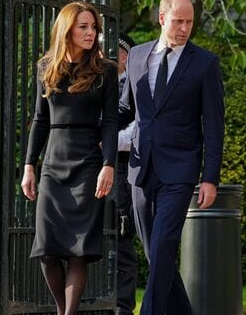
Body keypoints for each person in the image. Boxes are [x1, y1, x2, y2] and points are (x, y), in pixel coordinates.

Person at [118, 0, 225, 315]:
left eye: (189, 22)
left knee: (164, 243)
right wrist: (93, 128)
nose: (184, 28)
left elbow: (215, 126)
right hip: (139, 167)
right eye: (178, 21)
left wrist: (210, 178)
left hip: (180, 169)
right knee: (156, 250)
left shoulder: (205, 63)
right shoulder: (137, 55)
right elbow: (125, 108)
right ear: (162, 19)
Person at [21, 1, 118, 315]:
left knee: (78, 251)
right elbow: (39, 119)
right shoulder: (46, 66)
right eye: (84, 27)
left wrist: (109, 165)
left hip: (88, 164)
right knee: (48, 250)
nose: (91, 33)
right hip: (52, 164)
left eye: (94, 28)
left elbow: (112, 122)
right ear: (67, 29)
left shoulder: (106, 71)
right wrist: (29, 166)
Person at [106, 32, 138, 315]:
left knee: (121, 231)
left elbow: (137, 131)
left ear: (126, 55)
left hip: (122, 166)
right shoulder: (97, 81)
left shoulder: (137, 84)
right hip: (93, 165)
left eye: (114, 51)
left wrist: (105, 139)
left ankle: (123, 306)